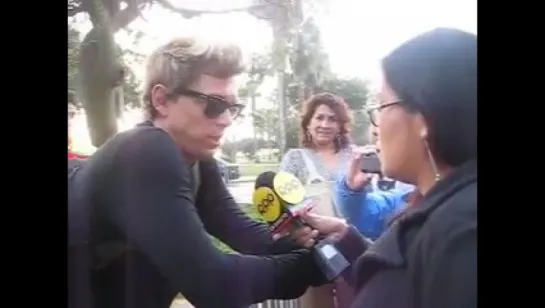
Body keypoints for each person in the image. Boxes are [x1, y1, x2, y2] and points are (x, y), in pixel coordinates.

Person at [67, 37, 367, 308]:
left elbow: (242, 232)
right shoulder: (143, 151)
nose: (225, 120)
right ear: (161, 100)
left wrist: (306, 239)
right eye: (213, 105)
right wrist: (314, 265)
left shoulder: (196, 157)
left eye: (231, 108)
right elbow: (215, 284)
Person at [344, 28, 477, 308]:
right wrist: (347, 239)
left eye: (382, 105)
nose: (375, 125)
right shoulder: (446, 209)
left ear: (424, 118)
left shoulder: (463, 232)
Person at [279, 93, 354, 308]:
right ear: (308, 123)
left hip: (351, 244)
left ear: (341, 126)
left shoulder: (353, 156)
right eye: (319, 118)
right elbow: (284, 205)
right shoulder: (295, 158)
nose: (325, 124)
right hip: (314, 248)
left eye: (332, 119)